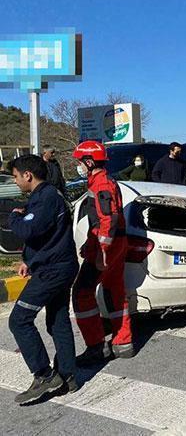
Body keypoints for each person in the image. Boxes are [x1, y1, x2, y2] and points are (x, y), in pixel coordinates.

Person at [7, 155, 79, 404]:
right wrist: (29, 260)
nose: (15, 181)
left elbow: (27, 229)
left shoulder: (46, 197)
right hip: (54, 265)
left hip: (54, 271)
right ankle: (68, 376)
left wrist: (15, 216)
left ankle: (44, 375)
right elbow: (46, 236)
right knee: (58, 320)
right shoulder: (45, 196)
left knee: (19, 320)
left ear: (28, 175)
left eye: (15, 176)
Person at [71, 141, 134, 365]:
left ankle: (95, 347)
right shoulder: (105, 181)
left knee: (82, 293)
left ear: (89, 162)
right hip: (115, 243)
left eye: (80, 161)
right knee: (114, 290)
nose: (78, 166)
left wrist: (101, 250)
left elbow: (109, 219)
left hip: (107, 246)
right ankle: (123, 342)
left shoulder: (101, 185)